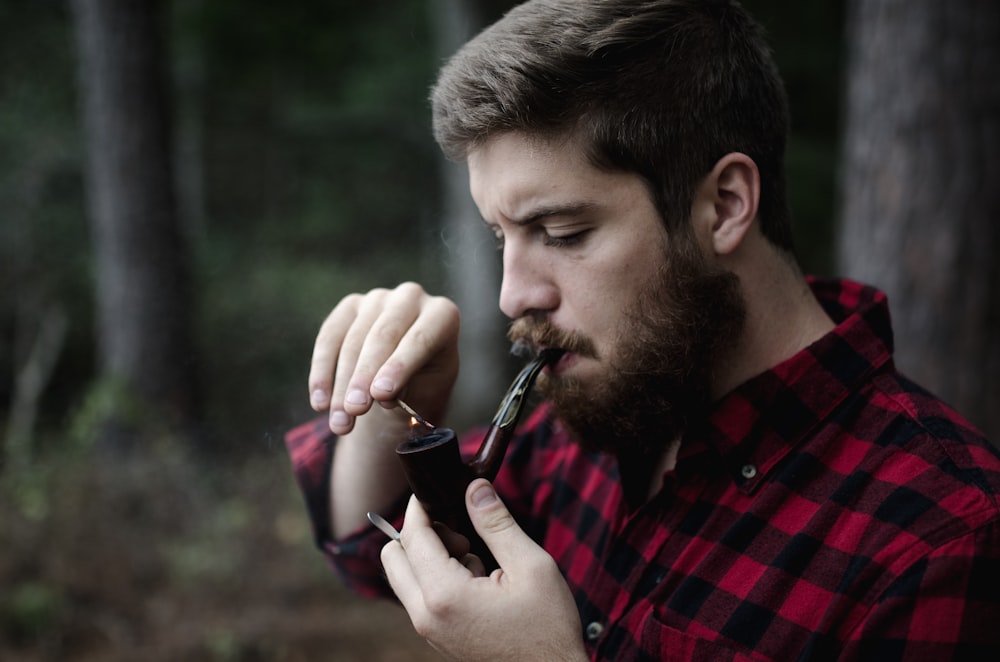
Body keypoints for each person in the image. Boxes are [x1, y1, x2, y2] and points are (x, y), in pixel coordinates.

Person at [285, 0, 1000, 659]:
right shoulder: (607, 413)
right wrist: (391, 404)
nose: (512, 296)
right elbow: (367, 546)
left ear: (723, 206)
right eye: (503, 237)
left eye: (561, 231)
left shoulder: (942, 542)